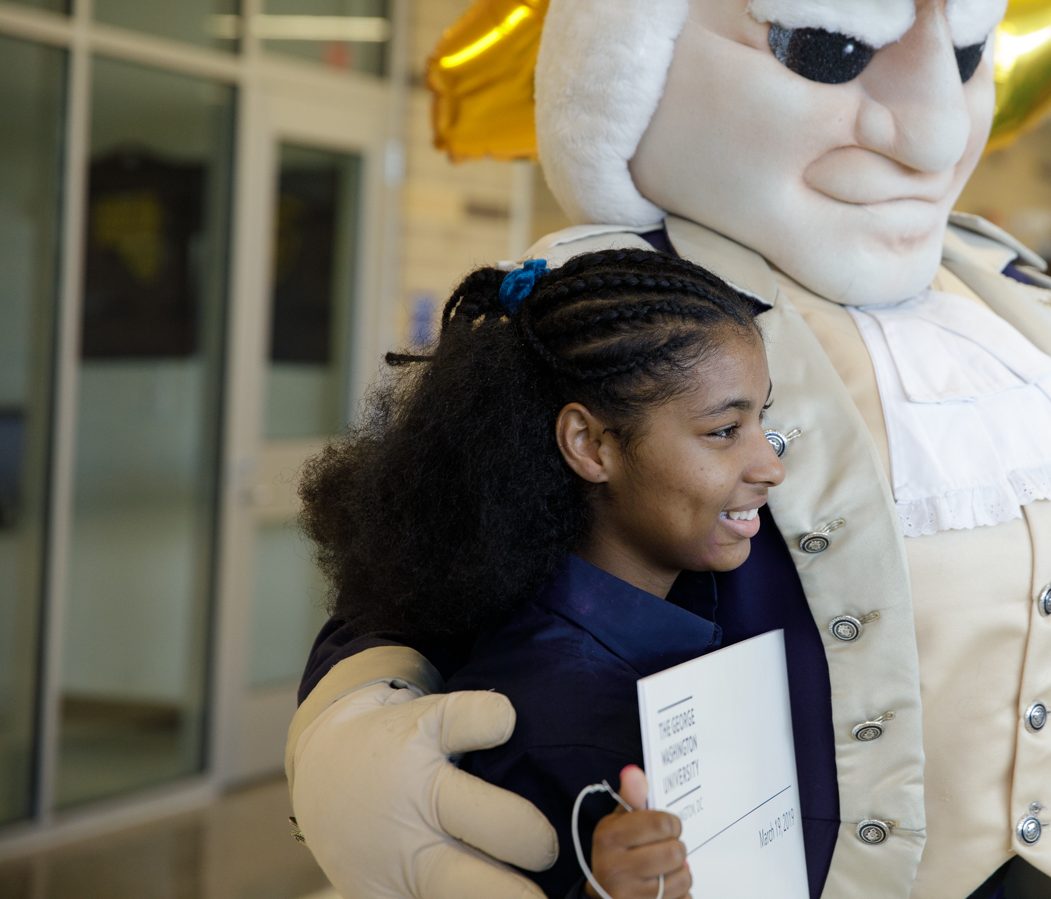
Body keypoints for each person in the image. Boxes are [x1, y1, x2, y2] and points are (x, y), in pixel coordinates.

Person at [284, 0, 1051, 898]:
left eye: (970, 49)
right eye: (830, 46)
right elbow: (433, 558)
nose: (934, 133)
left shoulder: (1005, 304)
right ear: (632, 41)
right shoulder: (614, 312)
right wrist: (350, 724)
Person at [297, 251, 782, 898]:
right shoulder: (543, 725)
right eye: (724, 429)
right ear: (590, 444)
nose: (770, 466)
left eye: (763, 422)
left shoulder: (661, 634)